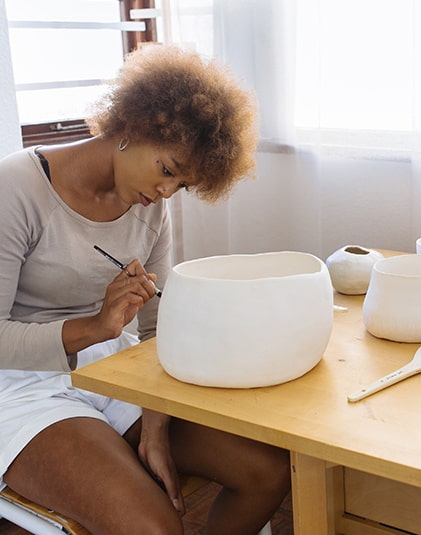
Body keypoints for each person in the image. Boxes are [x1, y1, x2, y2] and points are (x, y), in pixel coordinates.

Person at [0, 44, 290, 534]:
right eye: (168, 169)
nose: (165, 193)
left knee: (266, 470)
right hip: (18, 386)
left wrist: (156, 423)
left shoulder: (151, 209)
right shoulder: (16, 188)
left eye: (182, 186)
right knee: (153, 527)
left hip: (112, 369)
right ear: (133, 127)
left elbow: (157, 331)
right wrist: (94, 327)